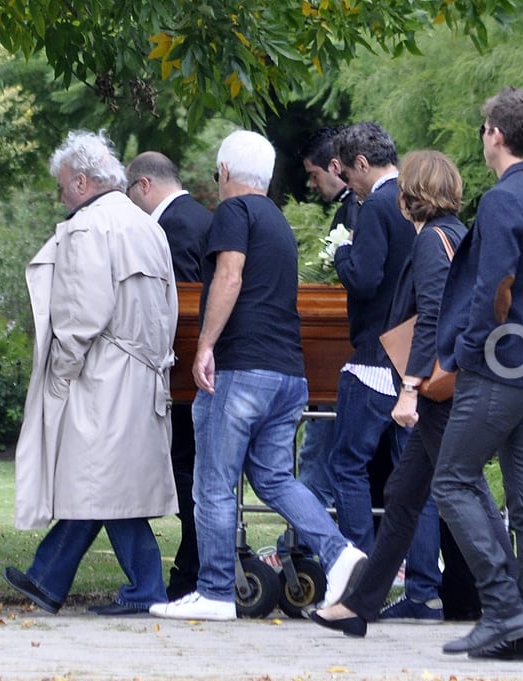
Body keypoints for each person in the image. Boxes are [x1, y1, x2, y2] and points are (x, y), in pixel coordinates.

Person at [148, 130, 367, 621]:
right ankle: (340, 554)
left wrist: (205, 346)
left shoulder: (233, 212)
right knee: (273, 478)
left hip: (241, 370)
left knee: (213, 485)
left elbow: (229, 275)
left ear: (225, 172)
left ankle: (216, 591)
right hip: (287, 374)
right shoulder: (277, 222)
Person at [306, 150, 503, 636]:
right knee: (404, 494)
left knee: (464, 488)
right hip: (452, 385)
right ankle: (359, 607)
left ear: (413, 193)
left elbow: (433, 318)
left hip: (435, 389)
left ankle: (513, 597)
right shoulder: (455, 233)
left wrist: (411, 388)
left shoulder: (433, 241)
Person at [5, 129, 179, 616]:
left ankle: (142, 589)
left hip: (99, 376)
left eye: (63, 186)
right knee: (103, 485)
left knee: (101, 485)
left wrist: (59, 372)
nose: (61, 196)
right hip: (141, 373)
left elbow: (81, 315)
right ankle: (47, 577)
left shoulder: (88, 228)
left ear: (82, 182)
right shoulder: (147, 226)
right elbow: (169, 307)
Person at [430, 87, 523, 661]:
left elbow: (496, 289)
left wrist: (468, 351)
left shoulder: (501, 201)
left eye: (483, 127)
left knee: (452, 481)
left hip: (501, 367)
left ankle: (504, 610)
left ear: (495, 133)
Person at [329, 122, 445, 619]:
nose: (346, 186)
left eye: (346, 172)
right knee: (413, 477)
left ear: (360, 163)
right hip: (414, 356)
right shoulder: (420, 204)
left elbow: (367, 276)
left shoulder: (377, 204)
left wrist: (341, 253)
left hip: (377, 355)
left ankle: (361, 577)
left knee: (347, 464)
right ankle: (424, 590)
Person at [125, 150, 212, 601]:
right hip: (201, 373)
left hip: (184, 375)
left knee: (185, 469)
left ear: (144, 185)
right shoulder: (201, 216)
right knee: (192, 469)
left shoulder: (171, 225)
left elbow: (179, 304)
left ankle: (195, 569)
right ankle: (193, 565)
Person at [294, 126, 360, 510]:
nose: (312, 184)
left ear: (335, 167)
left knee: (320, 451)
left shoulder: (357, 209)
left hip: (342, 349)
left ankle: (307, 537)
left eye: (314, 174)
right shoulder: (354, 207)